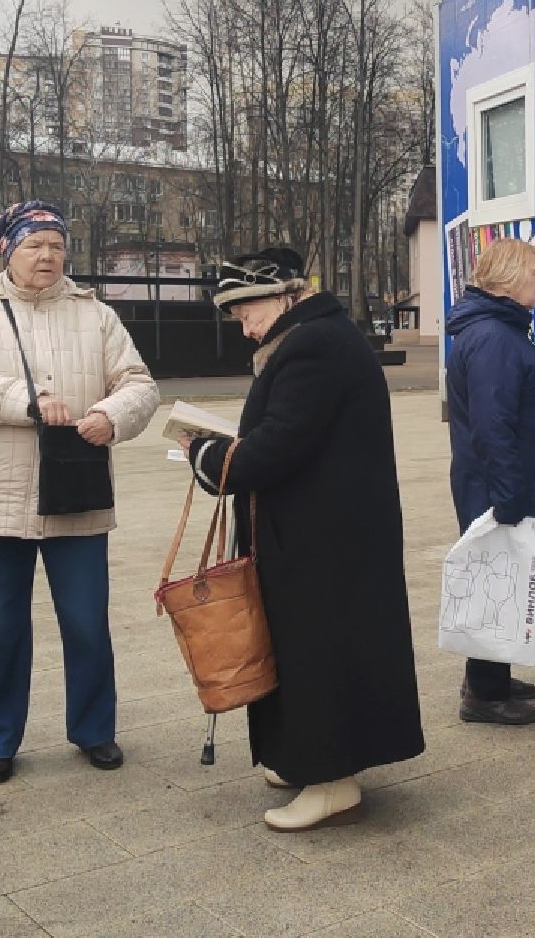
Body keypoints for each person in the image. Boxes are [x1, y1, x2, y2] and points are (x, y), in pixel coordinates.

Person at [181, 249, 424, 831]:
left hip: (325, 541)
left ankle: (332, 781)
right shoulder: (316, 337)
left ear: (285, 295)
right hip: (326, 532)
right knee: (304, 649)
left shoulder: (312, 346)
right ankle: (303, 760)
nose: (243, 324)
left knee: (319, 654)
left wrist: (204, 454)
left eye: (247, 310)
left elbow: (276, 446)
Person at [0, 200, 159, 785]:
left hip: (76, 490)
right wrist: (23, 401)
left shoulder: (95, 315)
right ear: (7, 249)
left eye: (56, 245)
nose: (48, 256)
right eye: (34, 245)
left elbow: (138, 383)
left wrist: (112, 415)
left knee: (86, 622)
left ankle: (94, 730)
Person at [444, 238, 535, 725]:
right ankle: (484, 693)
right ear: (506, 279)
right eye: (534, 275)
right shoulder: (494, 338)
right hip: (498, 484)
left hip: (500, 479)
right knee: (496, 579)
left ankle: (491, 677)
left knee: (499, 574)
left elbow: (510, 406)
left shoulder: (499, 331)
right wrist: (508, 498)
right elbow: (492, 425)